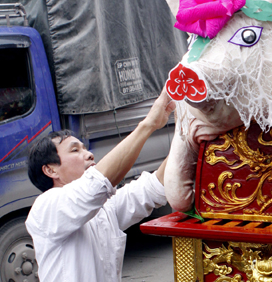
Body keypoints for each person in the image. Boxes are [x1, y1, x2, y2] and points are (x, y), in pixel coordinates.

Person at [25, 88, 175, 282]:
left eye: (85, 148)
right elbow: (97, 184)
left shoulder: (104, 208)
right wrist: (148, 124)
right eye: (75, 150)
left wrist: (186, 130)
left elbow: (153, 187)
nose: (89, 154)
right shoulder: (46, 207)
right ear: (51, 170)